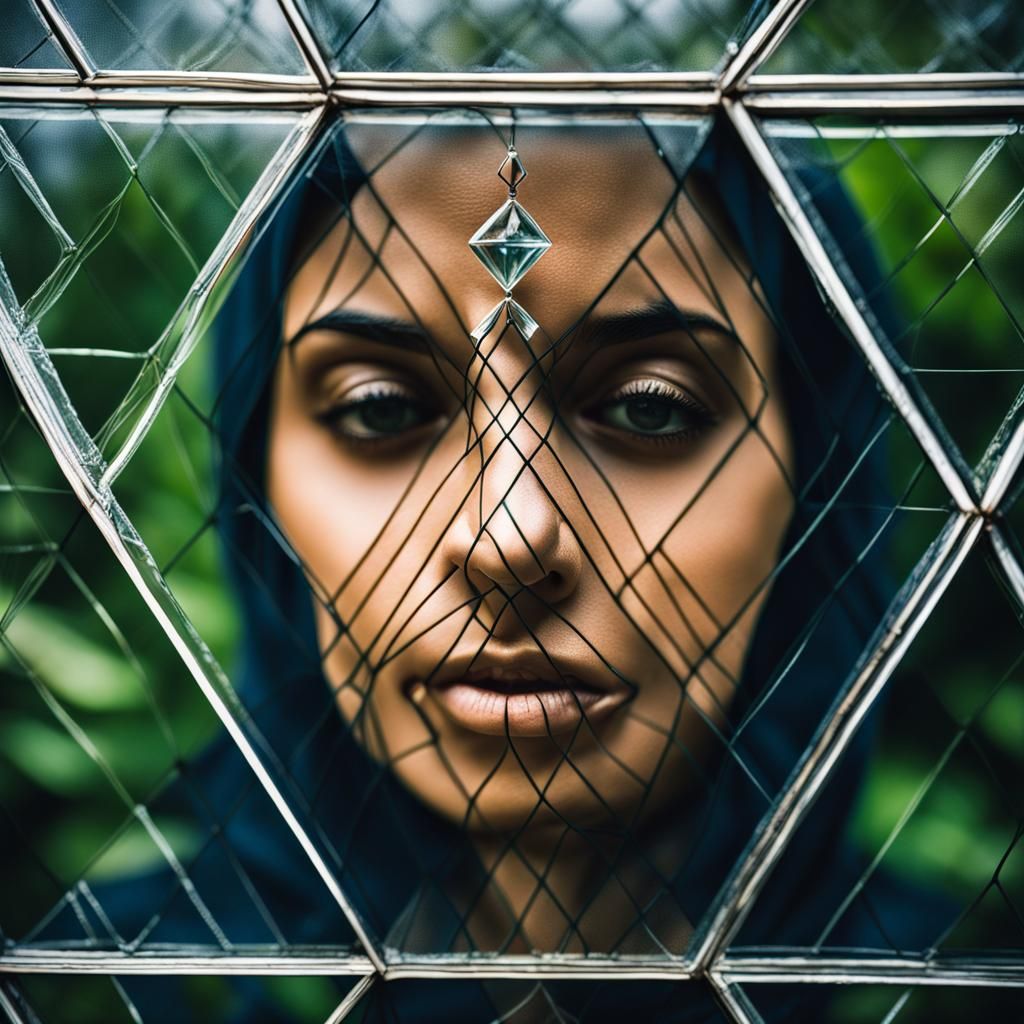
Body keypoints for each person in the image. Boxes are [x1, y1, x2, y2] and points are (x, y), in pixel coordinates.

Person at [91, 112, 947, 1022]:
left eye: (650, 408)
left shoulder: (956, 988)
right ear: (259, 485)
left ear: (818, 480)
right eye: (381, 408)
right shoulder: (87, 986)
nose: (507, 539)